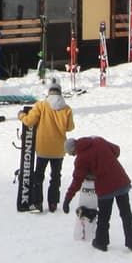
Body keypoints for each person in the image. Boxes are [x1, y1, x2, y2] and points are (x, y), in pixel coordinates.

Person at [63, 136, 132, 253]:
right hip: (120, 180)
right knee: (126, 213)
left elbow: (77, 180)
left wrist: (67, 199)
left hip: (105, 186)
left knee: (104, 217)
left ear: (73, 150)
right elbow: (116, 150)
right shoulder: (98, 140)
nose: (74, 156)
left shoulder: (81, 158)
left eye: (72, 154)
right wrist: (106, 160)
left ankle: (101, 242)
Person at [18, 82, 76, 212]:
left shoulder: (41, 105)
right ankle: (53, 203)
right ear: (60, 93)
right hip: (59, 149)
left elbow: (29, 121)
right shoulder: (67, 109)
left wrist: (21, 115)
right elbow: (70, 127)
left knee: (38, 176)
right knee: (55, 177)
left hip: (43, 147)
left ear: (49, 92)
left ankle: (37, 203)